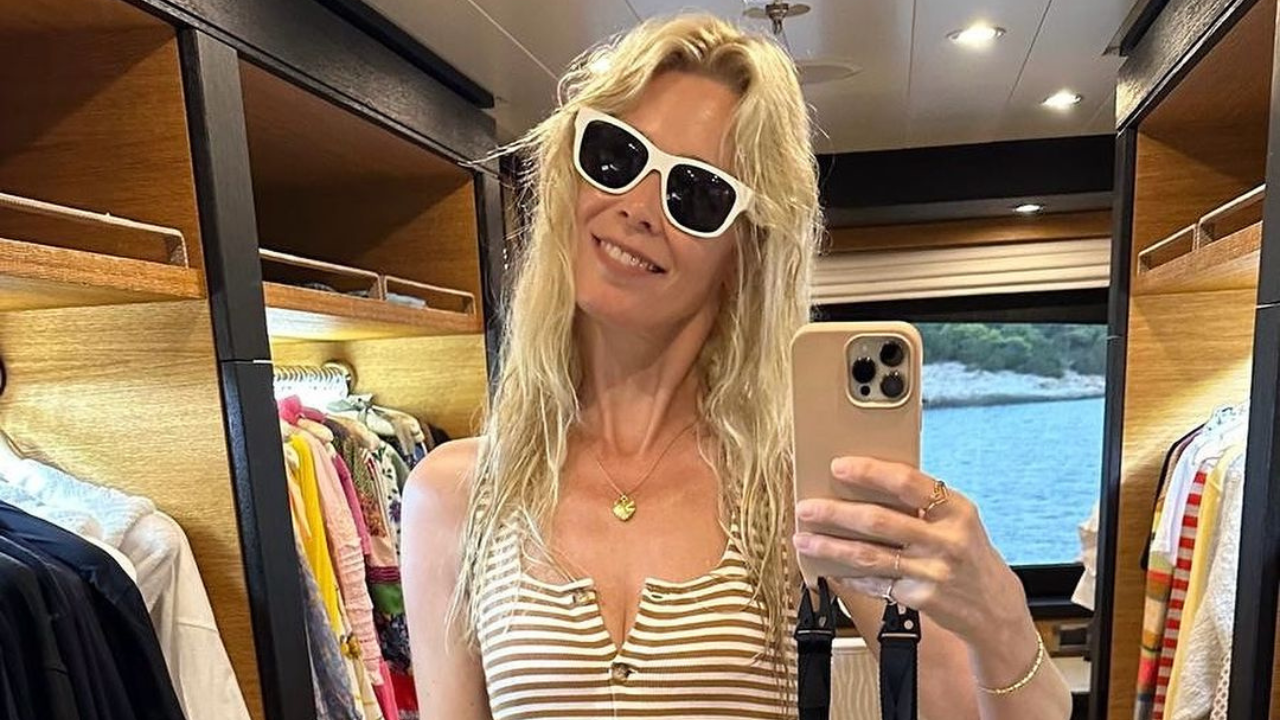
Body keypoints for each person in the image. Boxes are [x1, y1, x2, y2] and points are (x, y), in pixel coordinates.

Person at [401, 13, 1072, 720]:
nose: (639, 208)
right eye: (615, 155)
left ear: (743, 251)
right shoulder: (458, 496)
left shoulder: (799, 491)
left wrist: (1001, 618)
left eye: (695, 194)